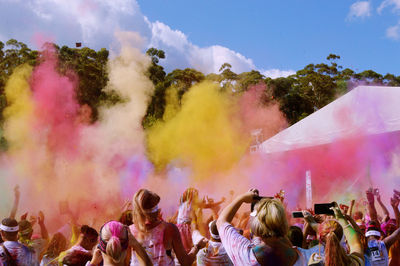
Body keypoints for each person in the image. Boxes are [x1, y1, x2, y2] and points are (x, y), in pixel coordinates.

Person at [216, 189, 305, 266]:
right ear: (284, 223)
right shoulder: (303, 257)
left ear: (255, 224)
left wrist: (241, 198)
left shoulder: (244, 254)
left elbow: (221, 221)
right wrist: (277, 222)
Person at [130, 189, 206, 266]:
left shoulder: (129, 231)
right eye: (156, 206)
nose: (158, 209)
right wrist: (197, 247)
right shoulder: (169, 229)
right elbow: (185, 262)